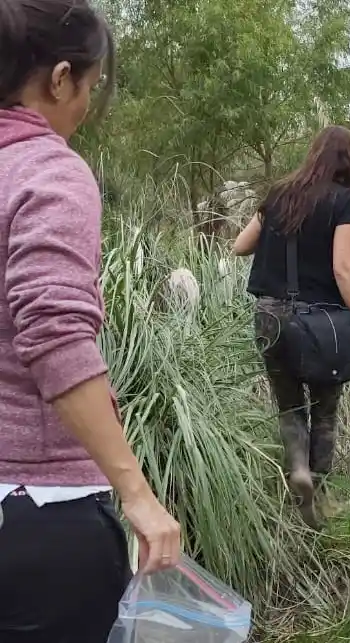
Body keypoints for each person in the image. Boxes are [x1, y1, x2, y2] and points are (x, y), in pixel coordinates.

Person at [0, 1, 181, 641]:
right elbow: (54, 335)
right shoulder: (47, 169)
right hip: (39, 518)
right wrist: (137, 493)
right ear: (59, 79)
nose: (85, 106)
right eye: (89, 86)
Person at [233, 125, 350, 520]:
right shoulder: (347, 201)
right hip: (322, 323)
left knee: (289, 406)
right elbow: (343, 267)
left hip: (270, 316)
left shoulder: (279, 194)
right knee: (324, 410)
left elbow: (240, 246)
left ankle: (298, 469)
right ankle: (320, 495)